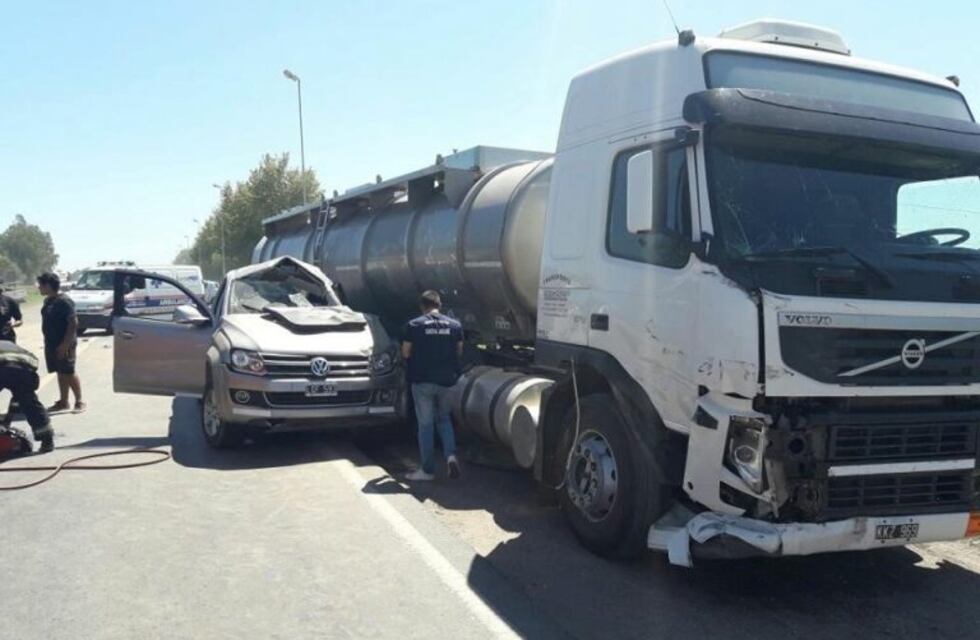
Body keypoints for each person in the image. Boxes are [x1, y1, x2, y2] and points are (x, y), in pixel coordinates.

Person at [401, 290, 463, 481]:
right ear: (439, 305)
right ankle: (451, 456)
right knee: (444, 419)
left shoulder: (414, 325)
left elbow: (406, 353)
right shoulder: (455, 325)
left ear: (422, 306)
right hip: (446, 382)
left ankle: (427, 471)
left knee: (425, 425)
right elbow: (459, 351)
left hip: (422, 382)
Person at [36, 272, 85, 412]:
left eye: (41, 285)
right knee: (60, 371)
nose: (39, 288)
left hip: (65, 343)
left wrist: (65, 344)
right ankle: (63, 401)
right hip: (52, 342)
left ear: (49, 286)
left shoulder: (64, 301)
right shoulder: (48, 301)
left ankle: (79, 401)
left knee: (68, 371)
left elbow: (73, 323)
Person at [0, 340, 53, 452]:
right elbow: (19, 397)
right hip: (23, 368)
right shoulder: (13, 348)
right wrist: (8, 419)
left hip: (4, 366)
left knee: (24, 397)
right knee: (29, 401)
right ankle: (47, 441)